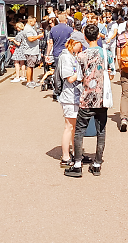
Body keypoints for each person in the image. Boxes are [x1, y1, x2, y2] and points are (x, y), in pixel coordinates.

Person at [64, 24, 114, 177]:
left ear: (85, 38)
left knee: (79, 131)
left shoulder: (81, 56)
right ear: (98, 36)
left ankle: (77, 164)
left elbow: (78, 77)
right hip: (102, 98)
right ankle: (97, 163)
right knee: (101, 131)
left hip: (87, 98)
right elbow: (111, 74)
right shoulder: (107, 54)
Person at [58, 39, 83, 168]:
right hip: (69, 96)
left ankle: (75, 152)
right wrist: (82, 72)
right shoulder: (66, 57)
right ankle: (66, 156)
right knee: (69, 127)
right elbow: (70, 78)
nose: (80, 49)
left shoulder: (72, 56)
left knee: (74, 127)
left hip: (74, 96)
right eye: (79, 46)